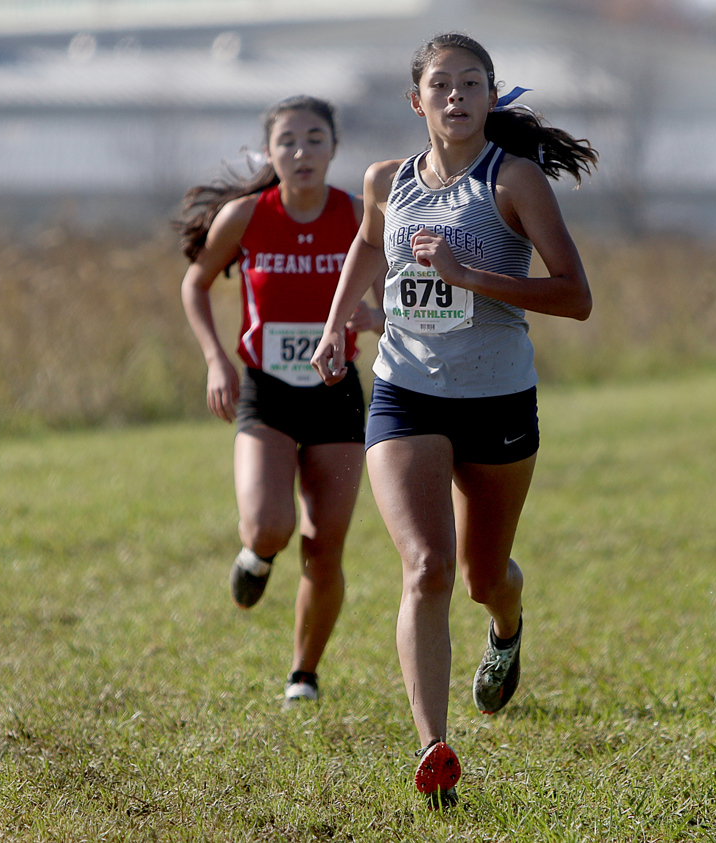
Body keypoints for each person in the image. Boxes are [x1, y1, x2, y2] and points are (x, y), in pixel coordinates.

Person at [310, 32, 597, 808]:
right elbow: (368, 247)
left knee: (481, 578)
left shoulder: (516, 181)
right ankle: (433, 746)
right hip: (405, 393)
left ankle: (507, 628)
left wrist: (473, 276)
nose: (456, 96)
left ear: (491, 96)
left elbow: (575, 295)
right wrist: (339, 324)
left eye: (472, 83)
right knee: (427, 566)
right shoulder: (385, 180)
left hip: (499, 396)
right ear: (418, 101)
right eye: (441, 85)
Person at [177, 95, 384, 706]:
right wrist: (217, 360)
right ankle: (258, 553)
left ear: (334, 148)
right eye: (288, 142)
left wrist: (372, 315)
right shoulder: (245, 217)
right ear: (269, 152)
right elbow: (195, 282)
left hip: (336, 391)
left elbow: (401, 287)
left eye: (315, 139)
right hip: (264, 388)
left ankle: (303, 673)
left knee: (324, 548)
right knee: (271, 524)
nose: (301, 153)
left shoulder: (358, 212)